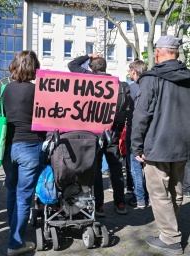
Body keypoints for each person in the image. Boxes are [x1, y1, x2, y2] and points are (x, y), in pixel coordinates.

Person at [131, 35, 190, 255]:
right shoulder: (187, 77)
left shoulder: (150, 77)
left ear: (157, 52)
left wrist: (136, 146)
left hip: (157, 144)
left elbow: (141, 115)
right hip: (182, 144)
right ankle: (170, 231)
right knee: (175, 190)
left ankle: (170, 238)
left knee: (159, 193)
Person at [68, 53, 131, 216]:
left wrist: (88, 55)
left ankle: (98, 206)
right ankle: (120, 203)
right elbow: (126, 109)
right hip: (112, 131)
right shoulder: (120, 85)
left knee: (95, 168)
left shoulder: (88, 79)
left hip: (92, 132)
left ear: (90, 68)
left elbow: (72, 65)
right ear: (105, 67)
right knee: (116, 167)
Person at [2, 50, 46, 256]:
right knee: (23, 196)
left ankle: (14, 233)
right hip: (30, 146)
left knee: (12, 192)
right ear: (33, 67)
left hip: (9, 148)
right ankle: (15, 244)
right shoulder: (38, 92)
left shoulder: (5, 89)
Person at [126, 59, 148, 208]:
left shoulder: (131, 88)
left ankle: (140, 198)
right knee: (149, 166)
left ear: (133, 71)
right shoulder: (151, 86)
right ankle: (150, 197)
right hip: (150, 131)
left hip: (134, 130)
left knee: (135, 165)